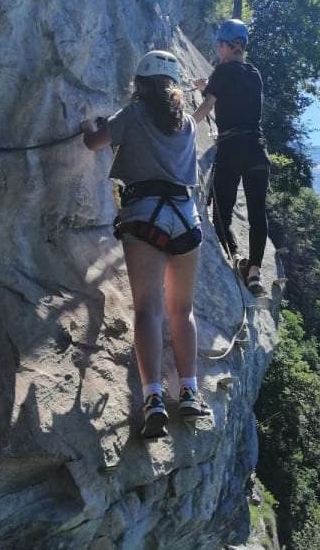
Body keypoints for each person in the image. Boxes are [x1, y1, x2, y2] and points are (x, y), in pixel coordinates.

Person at [80, 50, 211, 440]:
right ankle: (189, 390)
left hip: (146, 215)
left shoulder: (132, 115)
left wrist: (88, 125)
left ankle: (153, 397)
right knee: (182, 310)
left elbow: (93, 144)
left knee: (149, 311)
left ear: (141, 83)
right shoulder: (186, 123)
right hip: (185, 217)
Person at [192, 19, 270, 296]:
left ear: (228, 45)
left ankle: (235, 255)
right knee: (258, 213)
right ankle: (255, 272)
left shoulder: (222, 72)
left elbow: (209, 105)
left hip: (230, 149)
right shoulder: (255, 74)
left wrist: (185, 126)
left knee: (221, 214)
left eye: (219, 45)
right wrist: (208, 85)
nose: (217, 50)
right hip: (257, 150)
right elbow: (234, 96)